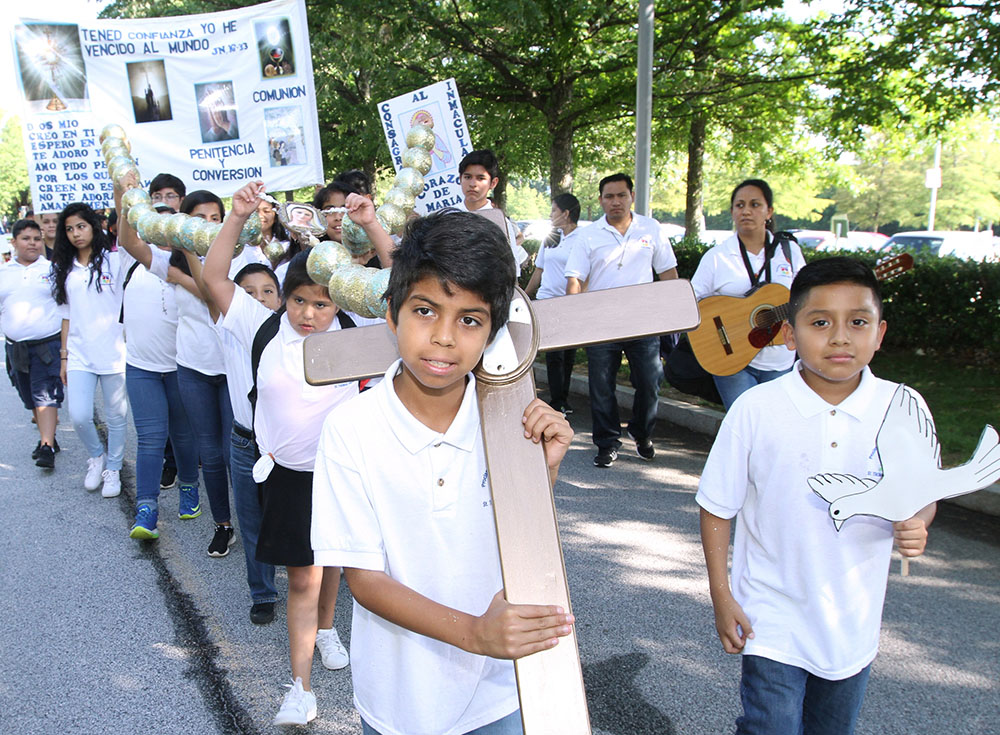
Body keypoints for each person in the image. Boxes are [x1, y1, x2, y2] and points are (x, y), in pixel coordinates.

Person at [311, 209, 577, 734]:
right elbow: (364, 580)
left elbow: (513, 537)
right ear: (392, 314)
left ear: (493, 333)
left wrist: (540, 474)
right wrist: (476, 633)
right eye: (426, 310)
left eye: (470, 320)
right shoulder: (352, 428)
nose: (445, 337)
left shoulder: (508, 420)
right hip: (400, 701)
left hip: (499, 690)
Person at [696, 256, 936, 735]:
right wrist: (722, 595)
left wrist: (919, 521)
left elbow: (922, 492)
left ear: (880, 333)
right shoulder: (755, 409)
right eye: (820, 322)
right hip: (772, 616)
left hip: (853, 620)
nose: (840, 337)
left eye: (858, 322)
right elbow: (716, 506)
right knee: (771, 727)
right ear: (789, 334)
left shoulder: (903, 407)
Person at [203, 181, 384, 724]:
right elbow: (213, 277)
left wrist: (373, 225)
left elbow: (406, 291)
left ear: (339, 302)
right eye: (300, 300)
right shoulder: (263, 329)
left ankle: (327, 629)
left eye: (322, 304)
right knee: (302, 573)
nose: (309, 314)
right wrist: (234, 218)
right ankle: (300, 687)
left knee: (329, 562)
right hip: (288, 475)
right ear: (285, 296)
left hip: (346, 473)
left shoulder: (360, 333)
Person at [564, 173, 678, 468]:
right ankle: (607, 442)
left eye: (621, 195)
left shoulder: (650, 228)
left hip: (643, 322)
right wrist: (575, 318)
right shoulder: (589, 235)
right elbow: (575, 278)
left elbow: (667, 273)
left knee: (651, 381)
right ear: (601, 200)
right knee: (601, 385)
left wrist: (672, 311)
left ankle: (642, 434)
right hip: (601, 322)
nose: (615, 202)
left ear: (631, 197)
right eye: (609, 196)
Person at [111, 179, 201, 541]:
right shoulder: (131, 260)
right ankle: (146, 508)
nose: (160, 232)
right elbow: (124, 229)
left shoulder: (188, 267)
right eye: (154, 225)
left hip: (181, 369)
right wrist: (124, 189)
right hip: (141, 369)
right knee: (149, 438)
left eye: (168, 225)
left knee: (183, 435)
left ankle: (189, 488)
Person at [690, 179, 806, 410]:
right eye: (740, 205)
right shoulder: (717, 256)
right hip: (732, 360)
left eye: (755, 204)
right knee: (745, 427)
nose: (746, 211)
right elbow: (691, 301)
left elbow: (806, 294)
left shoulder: (789, 252)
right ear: (732, 212)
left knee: (774, 428)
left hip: (780, 361)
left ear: (769, 212)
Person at [51, 203, 129, 497]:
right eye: (69, 229)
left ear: (93, 227)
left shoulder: (113, 261)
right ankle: (96, 456)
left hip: (113, 351)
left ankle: (113, 468)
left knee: (117, 416)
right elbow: (66, 316)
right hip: (79, 354)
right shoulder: (63, 267)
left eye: (80, 226)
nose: (75, 234)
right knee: (80, 415)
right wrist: (63, 357)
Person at [0, 219, 63, 468]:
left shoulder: (52, 269)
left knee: (45, 395)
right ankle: (47, 438)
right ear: (13, 242)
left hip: (48, 345)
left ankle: (46, 446)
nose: (33, 243)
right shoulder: (4, 272)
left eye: (37, 239)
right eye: (26, 239)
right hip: (16, 348)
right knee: (29, 397)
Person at [525, 193, 583, 415]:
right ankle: (557, 399)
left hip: (570, 303)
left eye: (553, 211)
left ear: (565, 214)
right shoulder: (550, 238)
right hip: (547, 301)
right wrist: (526, 294)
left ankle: (563, 398)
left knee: (568, 354)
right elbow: (539, 269)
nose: (550, 216)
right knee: (554, 354)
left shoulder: (583, 239)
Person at [456, 149, 529, 276]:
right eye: (468, 177)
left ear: (493, 183)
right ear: (460, 179)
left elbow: (512, 271)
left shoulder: (501, 223)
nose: (473, 184)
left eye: (481, 178)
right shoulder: (448, 216)